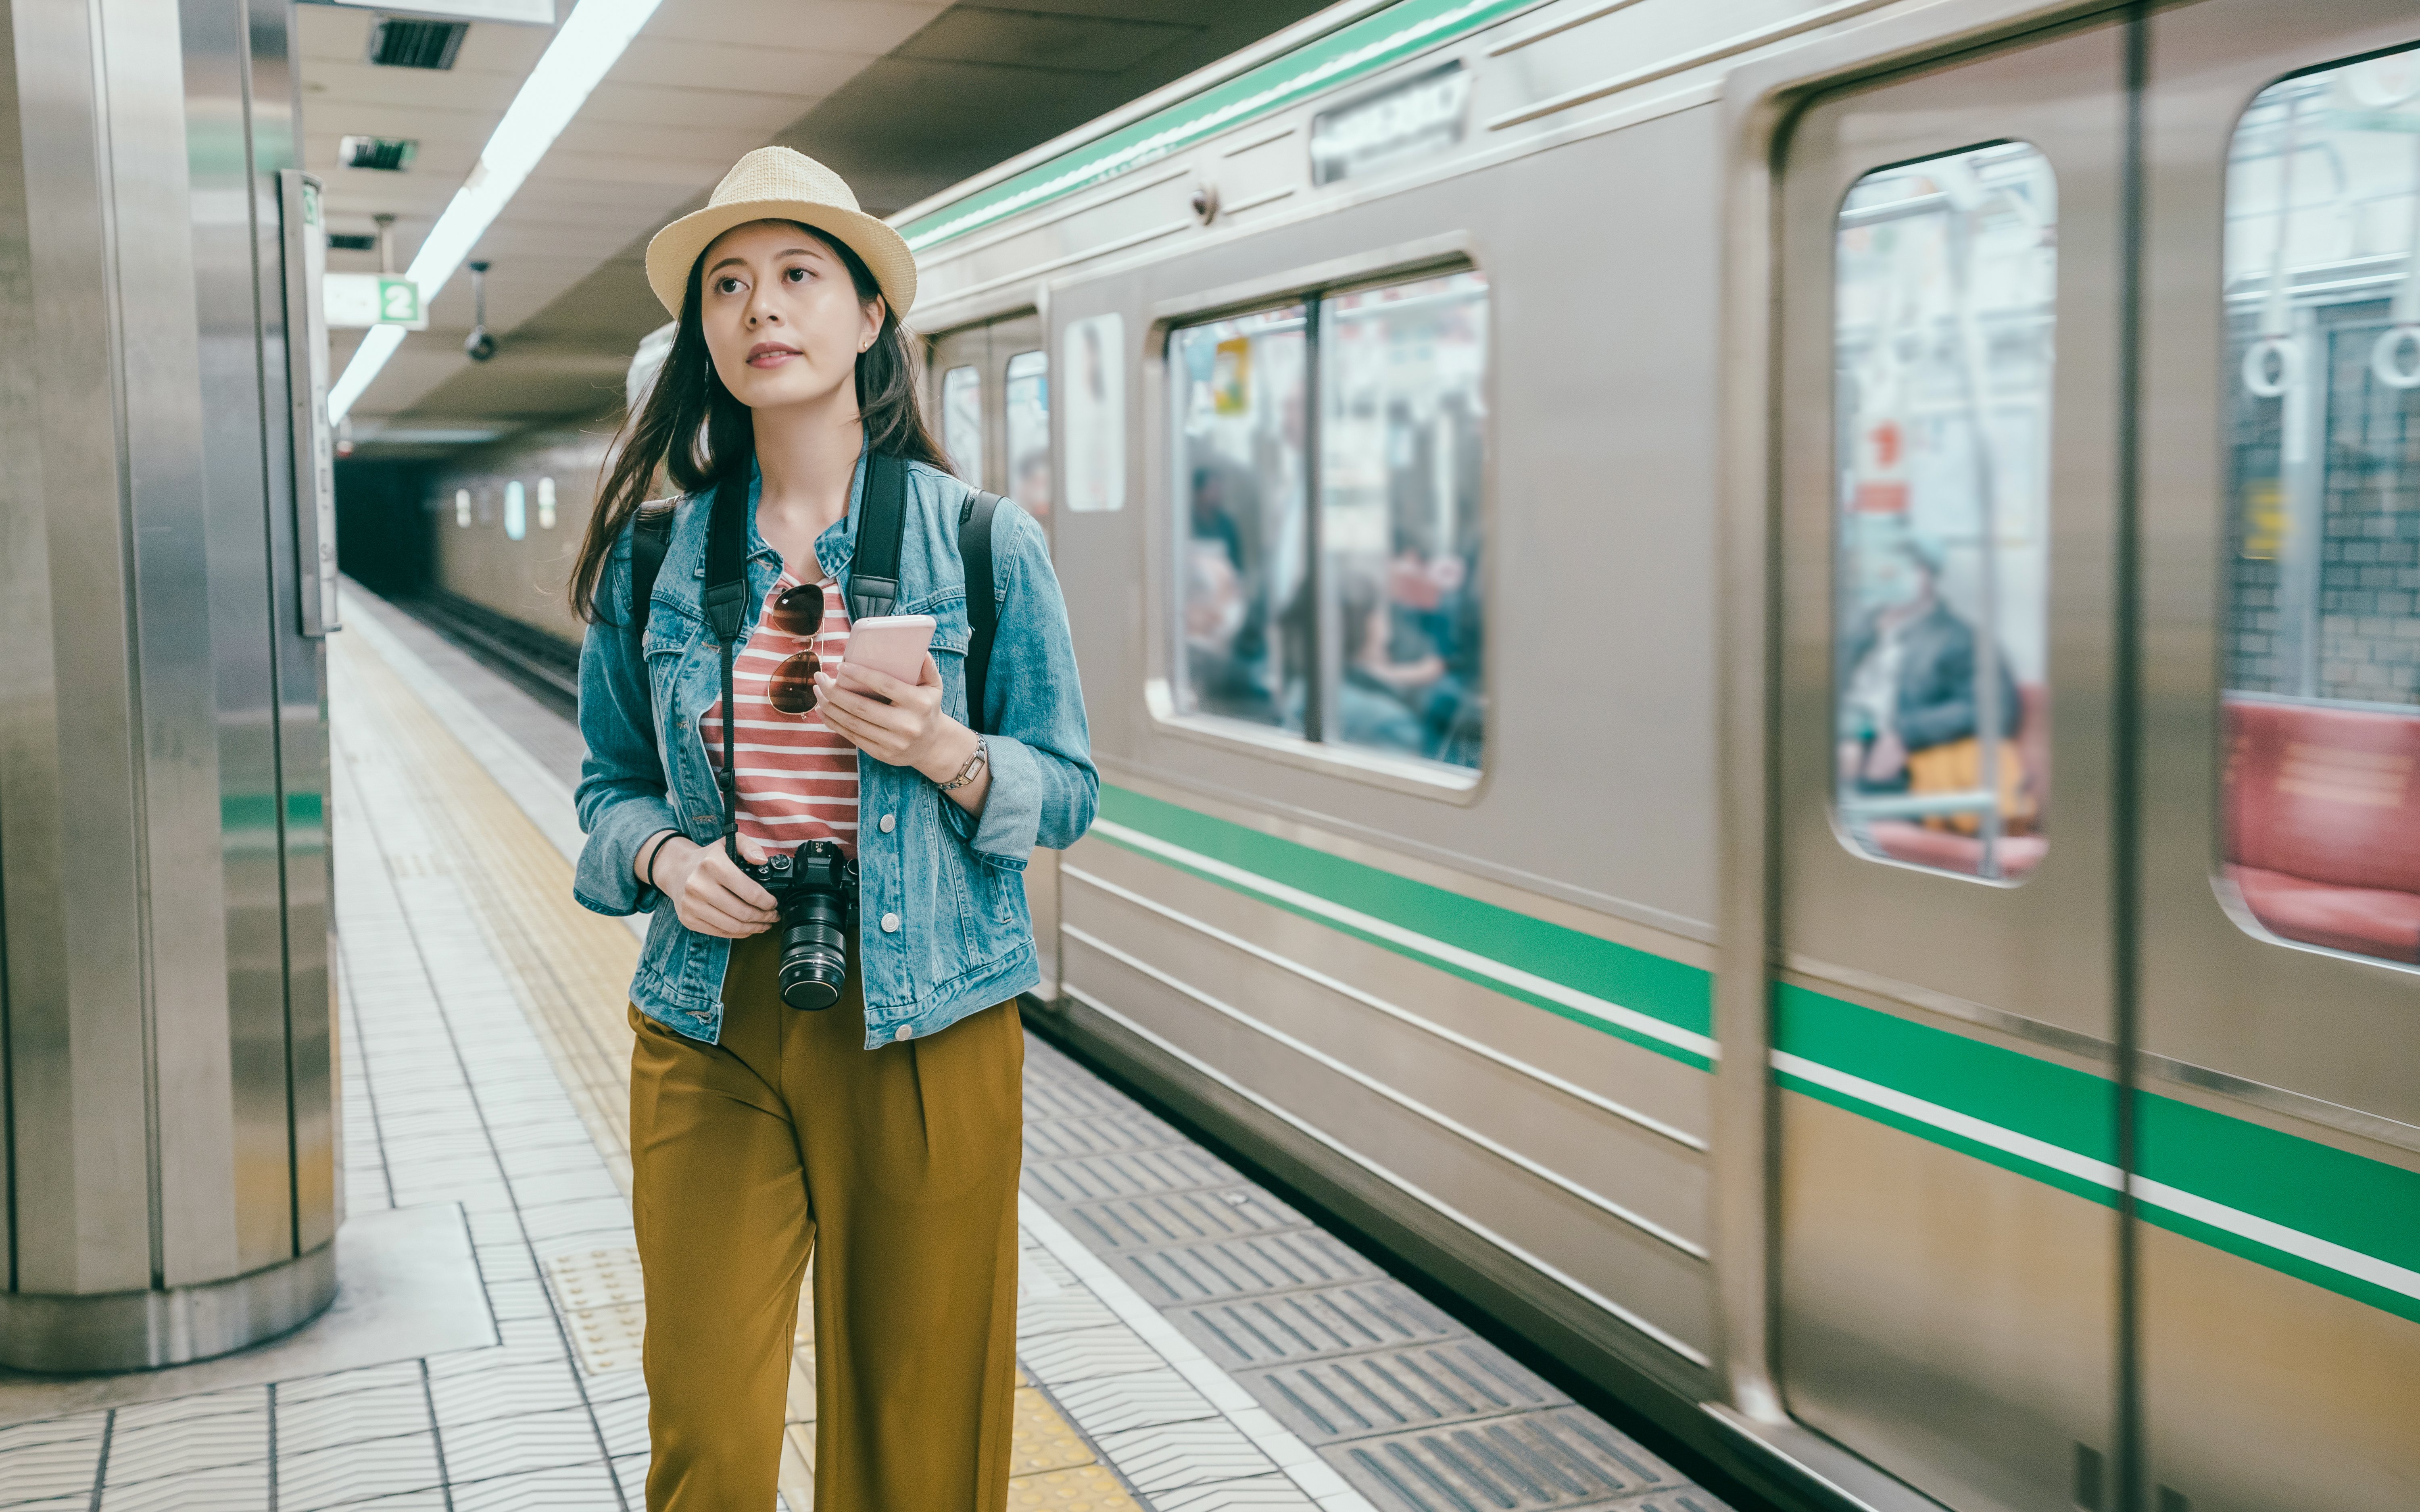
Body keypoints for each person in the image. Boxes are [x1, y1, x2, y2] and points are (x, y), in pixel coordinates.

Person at [564, 147, 1095, 1512]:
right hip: (710, 1016)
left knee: (921, 1438)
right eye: (728, 286)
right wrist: (670, 860)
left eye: (799, 274)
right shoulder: (653, 556)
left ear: (870, 320)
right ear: (705, 336)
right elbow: (607, 787)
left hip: (929, 1016)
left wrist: (950, 752)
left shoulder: (981, 541)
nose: (760, 309)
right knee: (709, 1433)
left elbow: (1072, 787)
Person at [1837, 537, 2021, 798]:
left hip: (1898, 759)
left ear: (1925, 575)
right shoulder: (1861, 629)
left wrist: (1905, 734)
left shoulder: (1957, 638)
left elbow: (1996, 709)